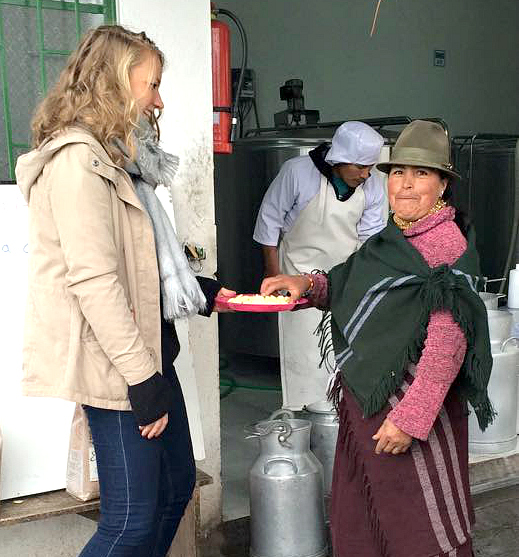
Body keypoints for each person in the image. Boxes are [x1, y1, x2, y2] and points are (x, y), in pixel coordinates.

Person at [15, 25, 234, 557]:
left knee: (175, 488)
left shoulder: (119, 159)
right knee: (130, 522)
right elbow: (94, 281)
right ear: (114, 82)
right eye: (151, 84)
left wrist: (197, 288)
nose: (159, 100)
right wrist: (141, 381)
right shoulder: (76, 162)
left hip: (152, 353)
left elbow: (138, 259)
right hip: (118, 365)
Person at [261, 120, 494, 557]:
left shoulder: (447, 245)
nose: (405, 184)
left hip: (409, 413)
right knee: (362, 521)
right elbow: (348, 283)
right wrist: (306, 285)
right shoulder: (393, 237)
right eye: (399, 172)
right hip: (365, 408)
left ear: (442, 185)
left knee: (421, 529)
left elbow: (448, 342)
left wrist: (411, 418)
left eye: (421, 174)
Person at [253, 121, 386, 409]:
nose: (366, 174)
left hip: (344, 280)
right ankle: (300, 417)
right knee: (304, 353)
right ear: (339, 159)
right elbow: (269, 221)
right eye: (360, 167)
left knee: (342, 354)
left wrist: (362, 284)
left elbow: (371, 240)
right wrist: (273, 273)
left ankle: (339, 423)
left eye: (370, 167)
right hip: (296, 277)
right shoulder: (297, 172)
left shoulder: (373, 185)